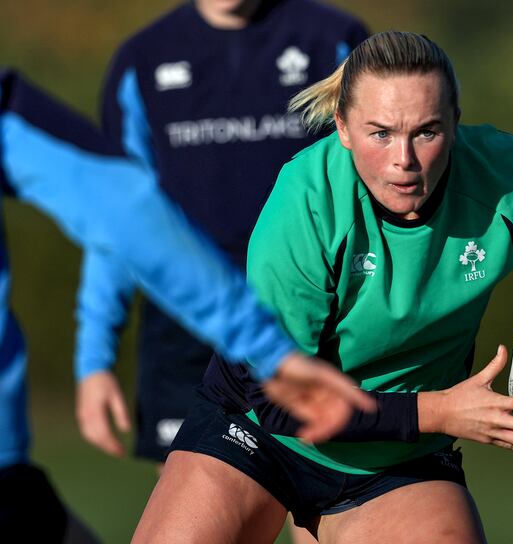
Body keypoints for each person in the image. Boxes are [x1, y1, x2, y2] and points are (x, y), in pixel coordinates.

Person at [132, 31, 513, 543]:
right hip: (257, 435)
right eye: (380, 133)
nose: (403, 161)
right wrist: (441, 411)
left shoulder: (507, 180)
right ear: (342, 127)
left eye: (426, 132)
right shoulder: (305, 203)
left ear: (455, 122)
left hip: (398, 460)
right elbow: (280, 400)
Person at [0, 68, 374, 541]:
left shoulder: (329, 35)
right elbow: (122, 212)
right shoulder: (142, 61)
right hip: (202, 345)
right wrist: (266, 349)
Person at [74, 0, 368, 470]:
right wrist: (94, 357)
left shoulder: (333, 40)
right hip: (184, 330)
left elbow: (377, 182)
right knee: (194, 516)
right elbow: (118, 222)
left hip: (308, 317)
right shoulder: (142, 61)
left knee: (319, 500)